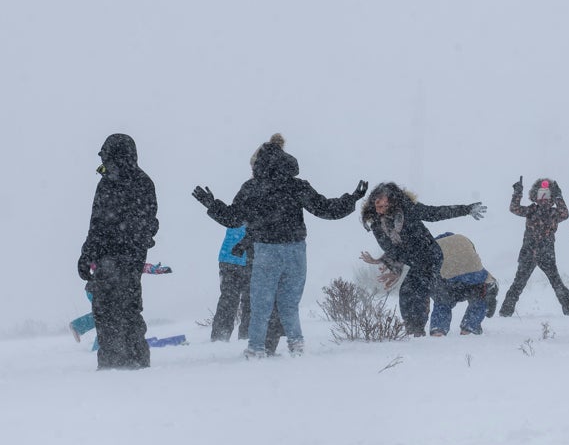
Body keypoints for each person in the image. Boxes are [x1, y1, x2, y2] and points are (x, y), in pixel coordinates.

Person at [192, 133, 366, 358]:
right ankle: (297, 346)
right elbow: (326, 209)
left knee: (260, 305)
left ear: (259, 164)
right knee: (289, 304)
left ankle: (255, 349)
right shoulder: (296, 186)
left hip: (267, 251)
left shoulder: (252, 187)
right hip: (296, 250)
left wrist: (212, 204)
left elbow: (233, 218)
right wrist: (352, 198)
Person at [359, 182, 487, 337]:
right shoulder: (377, 224)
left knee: (431, 291)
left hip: (431, 255)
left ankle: (441, 326)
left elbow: (435, 213)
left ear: (393, 202)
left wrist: (466, 209)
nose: (380, 210)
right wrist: (391, 265)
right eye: (377, 205)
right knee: (408, 292)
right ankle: (415, 331)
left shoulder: (408, 209)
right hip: (414, 261)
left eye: (384, 206)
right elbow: (391, 249)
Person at [77, 134, 159, 370]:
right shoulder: (142, 182)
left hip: (113, 257)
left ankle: (117, 363)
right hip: (127, 257)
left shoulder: (113, 183)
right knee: (127, 308)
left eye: (104, 152)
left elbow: (99, 224)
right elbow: (148, 222)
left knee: (111, 310)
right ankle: (132, 360)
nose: (101, 156)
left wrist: (89, 254)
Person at [499, 177, 569, 317]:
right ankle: (505, 313)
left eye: (547, 194)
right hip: (528, 251)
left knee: (556, 283)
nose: (543, 198)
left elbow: (565, 214)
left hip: (546, 251)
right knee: (518, 284)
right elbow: (514, 208)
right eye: (540, 194)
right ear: (535, 196)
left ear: (552, 197)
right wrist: (517, 193)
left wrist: (559, 196)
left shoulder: (554, 213)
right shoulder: (531, 210)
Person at [70, 262, 172, 349]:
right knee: (108, 317)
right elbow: (94, 264)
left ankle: (95, 342)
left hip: (102, 291)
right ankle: (84, 332)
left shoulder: (128, 261)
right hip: (98, 290)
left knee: (109, 317)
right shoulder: (115, 259)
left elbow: (142, 266)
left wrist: (156, 269)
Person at [429, 232, 498, 336]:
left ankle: (438, 329)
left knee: (442, 301)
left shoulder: (434, 244)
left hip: (448, 279)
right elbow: (474, 257)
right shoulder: (463, 239)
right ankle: (469, 328)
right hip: (473, 277)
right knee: (480, 297)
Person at [211, 226, 251, 341]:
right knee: (250, 302)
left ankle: (220, 339)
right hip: (239, 258)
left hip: (230, 258)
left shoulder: (237, 210)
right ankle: (246, 338)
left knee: (229, 301)